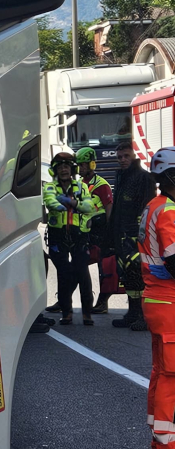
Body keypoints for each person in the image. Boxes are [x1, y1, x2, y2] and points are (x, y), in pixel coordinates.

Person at [136, 146, 175, 449]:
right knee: (171, 379)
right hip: (169, 301)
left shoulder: (154, 206)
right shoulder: (168, 211)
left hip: (157, 300)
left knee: (162, 374)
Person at [43, 151, 97, 325]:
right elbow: (50, 202)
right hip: (57, 236)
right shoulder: (50, 187)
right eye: (60, 167)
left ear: (72, 169)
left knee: (82, 273)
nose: (64, 170)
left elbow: (89, 207)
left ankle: (87, 313)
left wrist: (73, 203)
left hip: (79, 236)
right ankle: (67, 312)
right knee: (63, 274)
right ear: (55, 170)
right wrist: (62, 204)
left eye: (67, 166)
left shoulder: (81, 187)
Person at [110, 140, 157, 331]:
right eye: (119, 157)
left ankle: (144, 317)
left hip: (136, 235)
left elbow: (148, 207)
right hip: (122, 234)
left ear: (134, 155)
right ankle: (132, 313)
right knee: (128, 276)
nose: (122, 160)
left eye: (126, 156)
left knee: (139, 276)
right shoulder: (121, 176)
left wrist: (139, 234)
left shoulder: (143, 177)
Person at [75, 147, 114, 313]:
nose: (80, 168)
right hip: (84, 232)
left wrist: (109, 231)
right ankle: (69, 299)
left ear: (91, 164)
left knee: (103, 268)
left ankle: (102, 303)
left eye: (83, 165)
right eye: (78, 165)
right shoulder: (79, 184)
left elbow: (109, 208)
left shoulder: (101, 185)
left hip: (100, 232)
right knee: (79, 265)